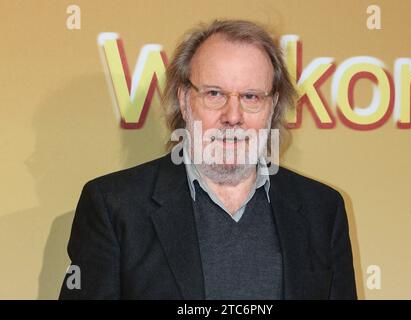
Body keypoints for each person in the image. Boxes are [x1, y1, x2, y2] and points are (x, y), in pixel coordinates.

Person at [59, 19, 357, 299]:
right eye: (215, 94)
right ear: (185, 101)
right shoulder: (115, 207)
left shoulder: (322, 210)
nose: (233, 116)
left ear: (273, 106)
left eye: (251, 97)